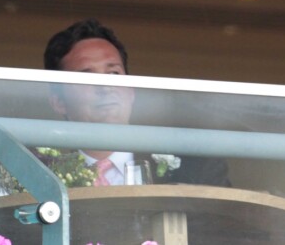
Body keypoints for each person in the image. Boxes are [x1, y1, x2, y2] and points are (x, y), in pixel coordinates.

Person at [43, 18, 231, 187]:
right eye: (87, 77)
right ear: (59, 101)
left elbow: (229, 224)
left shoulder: (195, 168)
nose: (105, 87)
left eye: (114, 74)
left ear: (131, 90)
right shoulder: (43, 178)